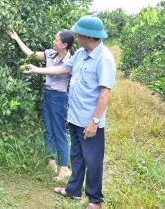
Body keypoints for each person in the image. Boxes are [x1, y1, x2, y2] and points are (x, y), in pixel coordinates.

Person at [24, 15, 116, 209]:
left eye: (78, 34)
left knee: (93, 160)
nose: (75, 37)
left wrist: (95, 121)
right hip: (75, 115)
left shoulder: (104, 58)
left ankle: (94, 200)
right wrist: (37, 70)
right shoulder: (81, 53)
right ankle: (73, 190)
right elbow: (64, 69)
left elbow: (105, 92)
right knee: (77, 155)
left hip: (89, 120)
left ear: (88, 36)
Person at [8, 29, 75, 181]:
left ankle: (63, 168)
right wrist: (17, 38)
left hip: (59, 97)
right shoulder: (50, 53)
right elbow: (31, 54)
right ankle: (51, 162)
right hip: (48, 95)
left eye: (56, 40)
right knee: (47, 129)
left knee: (59, 132)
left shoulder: (71, 60)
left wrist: (37, 70)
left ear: (64, 45)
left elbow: (56, 71)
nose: (53, 41)